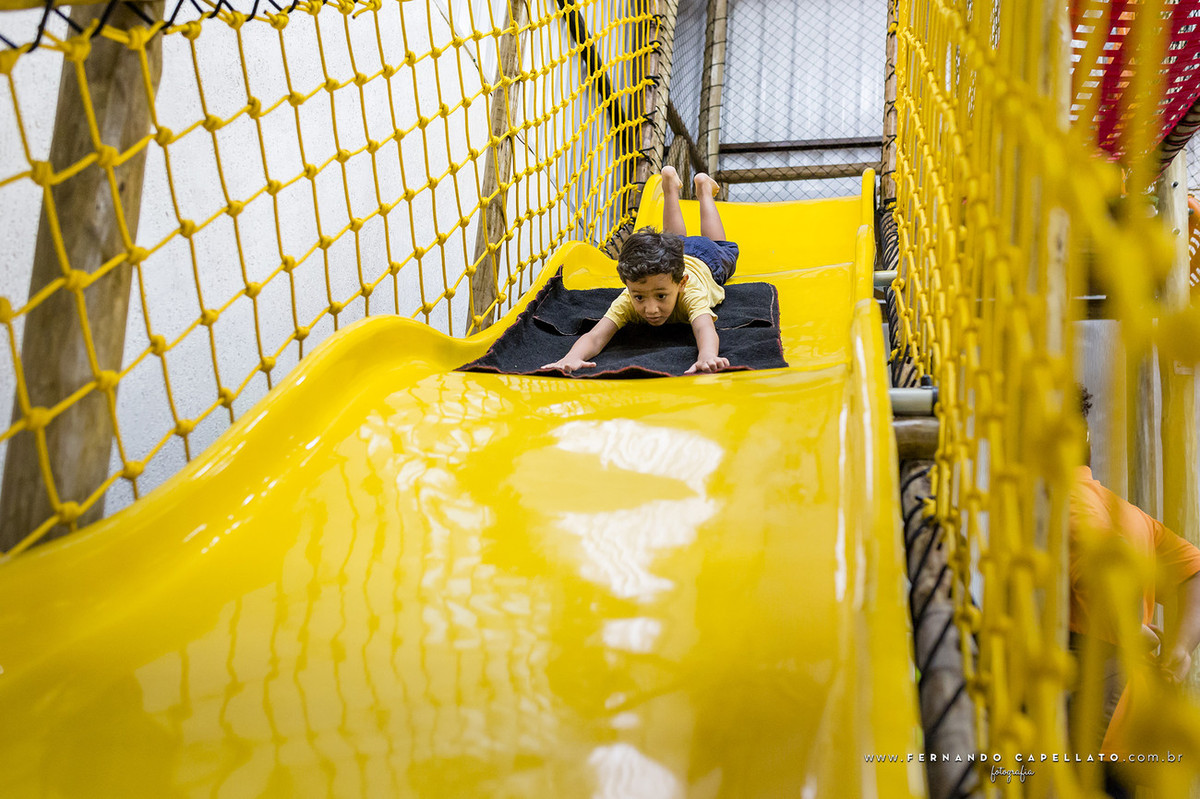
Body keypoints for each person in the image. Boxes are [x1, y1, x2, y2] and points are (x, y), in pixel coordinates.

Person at [1068, 385, 1200, 794]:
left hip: (1088, 719)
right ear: (1086, 439)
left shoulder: (1061, 500)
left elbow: (1098, 566)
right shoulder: (1127, 513)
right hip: (1131, 721)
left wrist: (1131, 628)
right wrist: (1179, 649)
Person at [540, 166, 738, 375]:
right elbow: (595, 336)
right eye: (640, 298)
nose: (651, 309)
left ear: (681, 283)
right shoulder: (629, 297)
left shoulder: (691, 291)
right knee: (673, 241)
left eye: (661, 296)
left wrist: (707, 356)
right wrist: (572, 357)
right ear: (627, 286)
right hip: (675, 255)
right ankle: (671, 187)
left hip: (706, 257)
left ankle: (704, 190)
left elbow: (704, 327)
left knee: (724, 247)